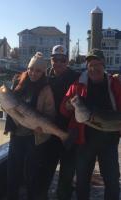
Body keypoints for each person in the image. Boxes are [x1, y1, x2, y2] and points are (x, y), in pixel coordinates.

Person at [60, 49, 121, 200]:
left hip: (109, 143)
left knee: (112, 182)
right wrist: (68, 106)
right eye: (91, 64)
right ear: (87, 67)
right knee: (82, 181)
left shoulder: (115, 85)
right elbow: (63, 109)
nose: (94, 68)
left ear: (104, 65)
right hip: (84, 142)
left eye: (98, 64)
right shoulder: (77, 85)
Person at [4, 52, 55, 200]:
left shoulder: (46, 89)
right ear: (27, 68)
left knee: (30, 174)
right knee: (12, 172)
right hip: (16, 134)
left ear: (43, 72)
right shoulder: (18, 81)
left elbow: (51, 114)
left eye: (38, 70)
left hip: (34, 137)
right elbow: (9, 104)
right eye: (31, 68)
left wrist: (42, 128)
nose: (33, 73)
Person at [36, 44, 80, 200]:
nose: (59, 63)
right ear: (51, 60)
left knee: (67, 174)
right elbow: (30, 78)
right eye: (56, 59)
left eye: (62, 59)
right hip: (50, 131)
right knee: (46, 169)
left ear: (67, 61)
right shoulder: (45, 77)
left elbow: (96, 76)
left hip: (70, 131)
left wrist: (113, 78)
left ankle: (64, 195)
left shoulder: (77, 76)